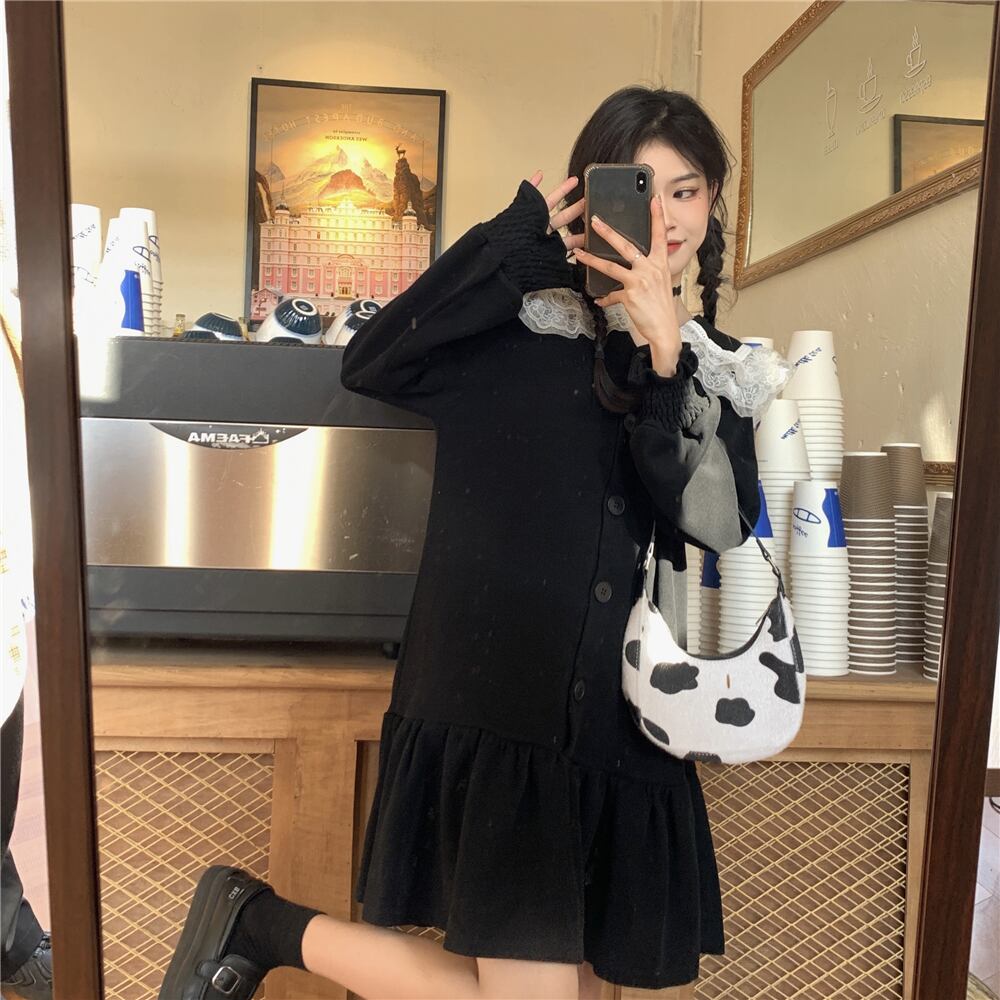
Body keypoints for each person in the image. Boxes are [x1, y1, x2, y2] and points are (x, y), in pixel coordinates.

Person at [159, 86, 781, 1000]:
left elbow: (716, 523)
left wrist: (663, 360)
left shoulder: (713, 370)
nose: (665, 218)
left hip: (619, 731)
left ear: (714, 201)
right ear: (592, 193)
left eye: (686, 191)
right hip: (495, 707)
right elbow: (372, 361)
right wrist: (514, 238)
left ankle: (255, 922)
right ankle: (260, 924)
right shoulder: (515, 327)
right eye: (641, 189)